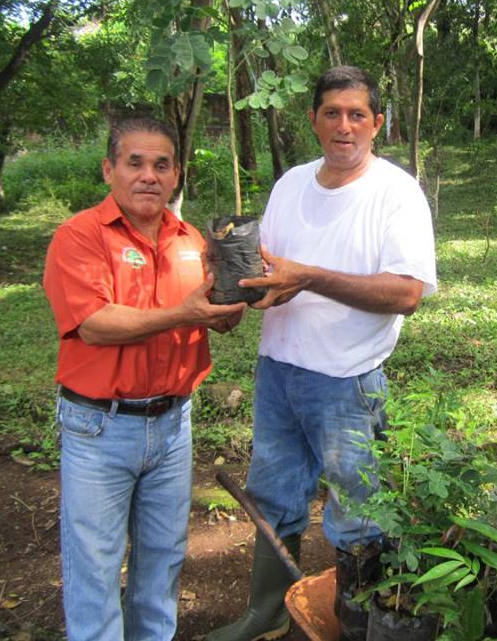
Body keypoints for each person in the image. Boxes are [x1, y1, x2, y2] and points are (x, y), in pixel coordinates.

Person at [207, 65, 437, 641]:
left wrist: (308, 277)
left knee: (356, 509)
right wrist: (235, 293)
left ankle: (357, 623)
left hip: (346, 381)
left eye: (357, 114)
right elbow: (270, 266)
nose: (344, 126)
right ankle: (267, 612)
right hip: (279, 368)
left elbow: (406, 293)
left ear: (377, 123)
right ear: (313, 120)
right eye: (331, 113)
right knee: (272, 492)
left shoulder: (396, 193)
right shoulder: (290, 184)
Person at [43, 117, 247, 641]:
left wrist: (231, 306)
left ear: (176, 174)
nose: (148, 176)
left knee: (162, 564)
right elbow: (94, 324)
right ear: (109, 169)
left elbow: (212, 316)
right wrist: (184, 313)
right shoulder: (81, 236)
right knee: (95, 570)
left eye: (161, 165)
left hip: (173, 426)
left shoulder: (191, 239)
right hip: (99, 429)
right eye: (134, 163)